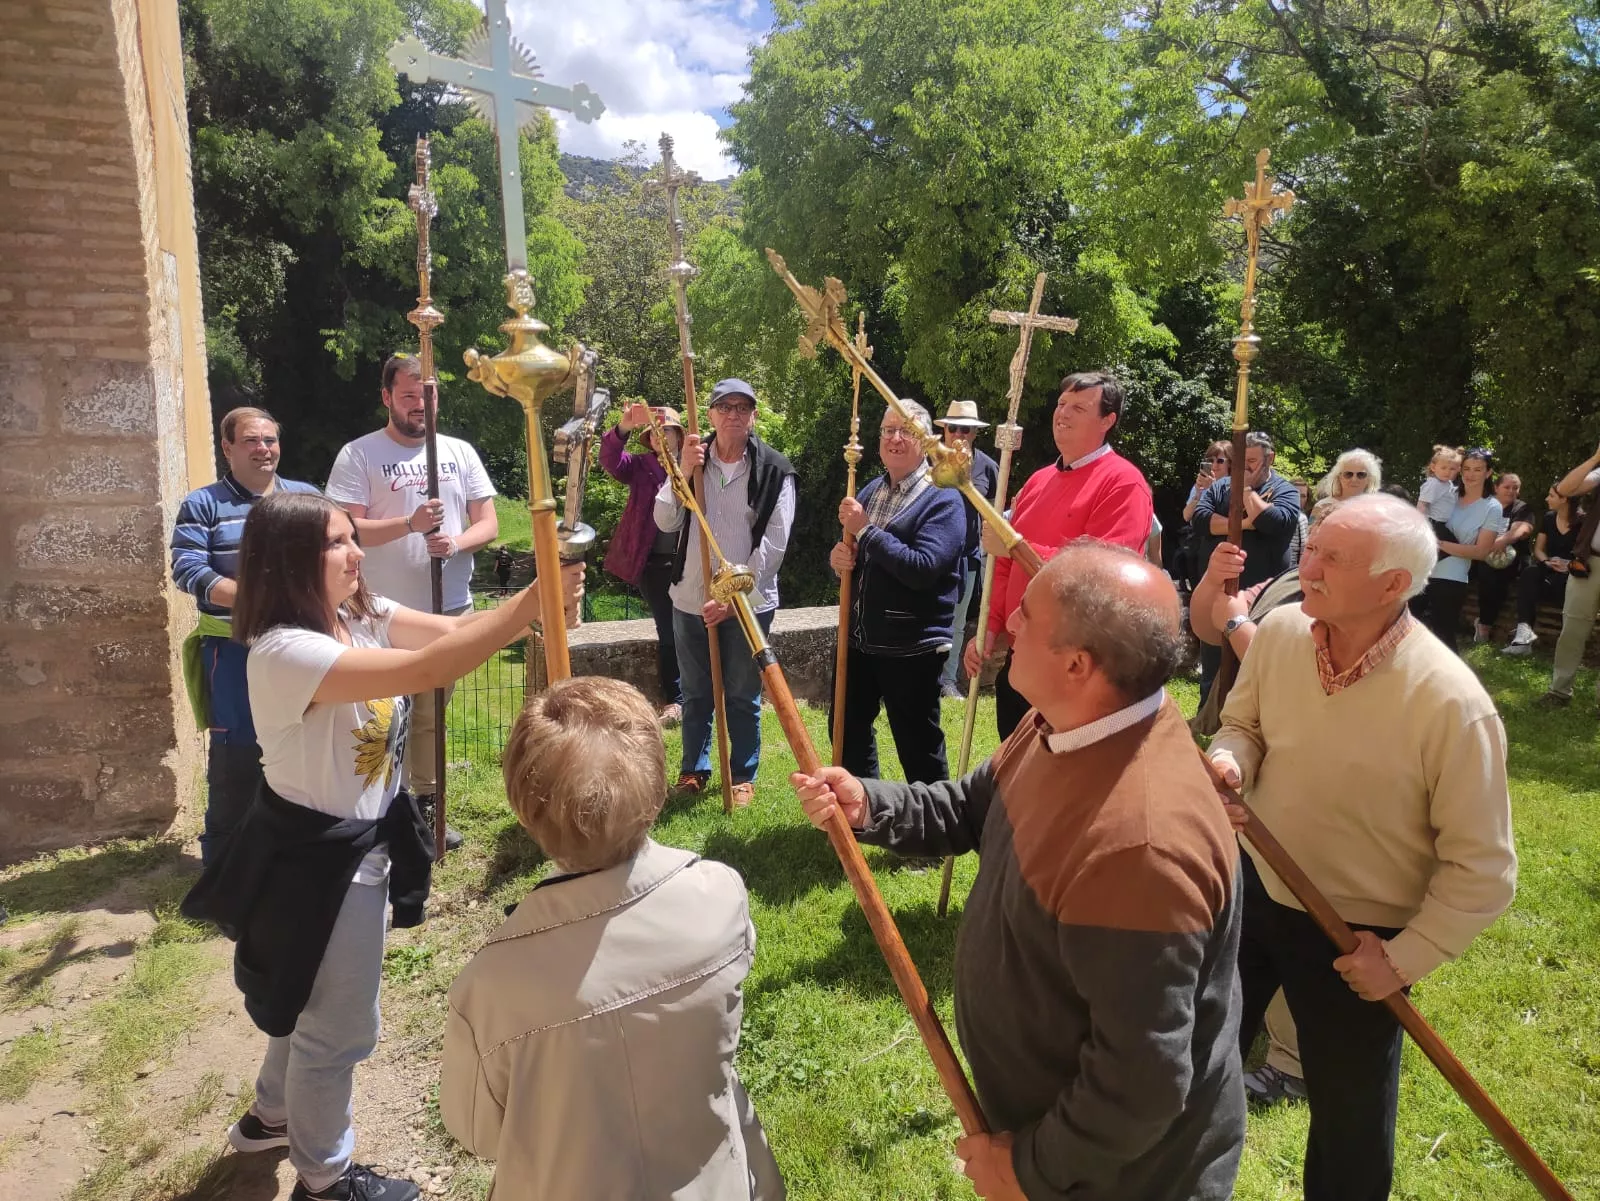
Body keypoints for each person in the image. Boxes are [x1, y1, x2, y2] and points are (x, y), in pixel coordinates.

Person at [796, 542, 1244, 1201]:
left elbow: (1139, 1083)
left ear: (1077, 665)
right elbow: (974, 807)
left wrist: (1028, 1167)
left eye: (1027, 617)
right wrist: (873, 803)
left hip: (1120, 1177)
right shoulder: (1067, 721)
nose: (1009, 625)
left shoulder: (1139, 846)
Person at [181, 491, 581, 1201]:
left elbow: (451, 634)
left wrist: (535, 605)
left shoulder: (357, 614)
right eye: (336, 543)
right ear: (289, 562)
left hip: (349, 843)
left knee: (305, 997)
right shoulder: (285, 651)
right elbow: (429, 671)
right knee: (337, 1028)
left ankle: (273, 1115)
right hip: (316, 862)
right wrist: (529, 605)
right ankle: (326, 1178)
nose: (355, 553)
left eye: (350, 537)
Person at [1209, 494, 1516, 1201]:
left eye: (1330, 558)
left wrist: (1402, 960)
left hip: (1356, 937)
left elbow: (1485, 872)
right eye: (1310, 547)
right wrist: (1231, 762)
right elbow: (1243, 724)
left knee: (1349, 1122)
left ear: (1393, 585)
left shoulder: (1451, 704)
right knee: (1195, 1062)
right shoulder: (1282, 632)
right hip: (1255, 887)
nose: (1305, 567)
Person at [440, 677, 783, 1200]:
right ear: (657, 784)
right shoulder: (719, 896)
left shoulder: (491, 983)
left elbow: (476, 1131)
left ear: (524, 807)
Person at [325, 354, 499, 850]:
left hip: (447, 608)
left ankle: (423, 803)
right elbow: (347, 528)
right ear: (386, 398)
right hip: (379, 613)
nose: (420, 406)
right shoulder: (360, 455)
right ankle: (376, 804)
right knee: (381, 710)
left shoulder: (460, 452)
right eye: (408, 396)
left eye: (428, 396)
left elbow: (486, 522)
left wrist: (456, 543)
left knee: (431, 711)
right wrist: (410, 524)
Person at [962, 372, 1154, 740]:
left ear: (1107, 420)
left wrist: (1019, 547)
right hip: (1023, 665)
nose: (1062, 413)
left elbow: (1103, 573)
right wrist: (990, 626)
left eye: (1079, 407)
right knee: (1015, 782)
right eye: (1061, 404)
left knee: (1066, 789)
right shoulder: (1037, 481)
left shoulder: (1124, 484)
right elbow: (1003, 566)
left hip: (1077, 672)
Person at [171, 406, 319, 865]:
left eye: (270, 440)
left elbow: (332, 552)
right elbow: (187, 568)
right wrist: (259, 600)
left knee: (305, 742)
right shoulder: (204, 504)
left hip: (303, 647)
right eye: (252, 441)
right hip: (234, 651)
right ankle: (225, 870)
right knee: (237, 755)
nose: (264, 449)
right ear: (228, 447)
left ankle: (295, 851)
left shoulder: (306, 497)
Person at [656, 378, 796, 806]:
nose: (733, 414)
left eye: (742, 407)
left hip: (748, 604)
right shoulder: (692, 464)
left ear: (753, 415)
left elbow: (775, 544)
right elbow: (664, 521)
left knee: (741, 692)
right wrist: (680, 469)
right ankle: (694, 769)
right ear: (711, 414)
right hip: (690, 599)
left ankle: (742, 775)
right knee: (696, 691)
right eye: (724, 406)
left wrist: (732, 598)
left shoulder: (775, 470)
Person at [830, 400, 966, 784]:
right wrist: (841, 556)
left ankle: (932, 831)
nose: (894, 438)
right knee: (848, 731)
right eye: (888, 430)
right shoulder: (872, 489)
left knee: (917, 743)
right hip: (859, 639)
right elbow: (859, 553)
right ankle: (865, 812)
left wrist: (866, 531)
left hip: (913, 645)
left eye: (906, 430)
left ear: (924, 441)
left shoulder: (944, 499)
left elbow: (922, 569)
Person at [1189, 432, 1302, 699]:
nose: (1242, 467)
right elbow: (1201, 519)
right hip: (1218, 592)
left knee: (1255, 665)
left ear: (1269, 458)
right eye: (1239, 461)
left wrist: (1248, 491)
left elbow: (1276, 522)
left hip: (1262, 597)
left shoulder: (1285, 490)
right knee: (1213, 662)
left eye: (1250, 461)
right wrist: (1246, 523)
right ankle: (1208, 716)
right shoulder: (1220, 486)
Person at [599, 402, 686, 724]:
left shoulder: (696, 465)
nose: (662, 436)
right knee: (668, 630)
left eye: (668, 431)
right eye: (655, 432)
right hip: (653, 563)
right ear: (648, 438)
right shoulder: (639, 467)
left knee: (696, 628)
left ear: (678, 435)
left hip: (691, 560)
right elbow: (609, 460)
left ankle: (701, 693)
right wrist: (623, 426)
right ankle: (676, 700)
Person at [934, 400, 999, 697]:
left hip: (967, 556)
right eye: (953, 427)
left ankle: (947, 680)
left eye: (966, 428)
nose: (959, 433)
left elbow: (998, 513)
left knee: (957, 622)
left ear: (975, 433)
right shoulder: (929, 461)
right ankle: (922, 678)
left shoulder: (988, 467)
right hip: (930, 553)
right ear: (944, 430)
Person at [1417, 448, 1502, 651]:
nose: (1470, 474)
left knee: (1442, 637)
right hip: (1421, 569)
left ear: (1488, 473)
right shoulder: (1445, 491)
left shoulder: (1492, 507)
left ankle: (1451, 681)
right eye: (1466, 469)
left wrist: (1439, 544)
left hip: (1452, 577)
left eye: (1477, 469)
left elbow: (1481, 552)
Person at [1537, 440, 1600, 705]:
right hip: (1591, 561)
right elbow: (1566, 489)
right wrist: (1596, 458)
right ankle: (1559, 692)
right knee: (1572, 627)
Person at [1503, 483, 1580, 655]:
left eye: (1551, 496)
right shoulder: (1549, 518)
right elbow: (1538, 549)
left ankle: (1568, 647)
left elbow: (1587, 556)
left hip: (1572, 572)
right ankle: (1523, 637)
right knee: (1530, 573)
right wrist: (1547, 561)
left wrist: (1568, 565)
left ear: (1564, 499)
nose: (1547, 499)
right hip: (1549, 567)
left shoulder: (1583, 521)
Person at [1473, 472, 1533, 642]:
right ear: (1496, 488)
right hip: (1480, 553)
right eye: (1507, 487)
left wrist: (1499, 542)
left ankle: (1484, 625)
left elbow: (1521, 530)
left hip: (1512, 557)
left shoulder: (1522, 508)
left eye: (1515, 488)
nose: (1511, 491)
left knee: (1494, 574)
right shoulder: (1485, 506)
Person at [1415, 444, 1463, 545]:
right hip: (1435, 524)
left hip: (1445, 524)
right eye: (1443, 468)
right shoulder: (1433, 484)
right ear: (1433, 467)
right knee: (1453, 548)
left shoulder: (1447, 483)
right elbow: (1422, 504)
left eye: (1452, 469)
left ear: (1458, 470)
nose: (1447, 472)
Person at [1316, 448, 1383, 501]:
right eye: (1348, 474)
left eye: (1361, 475)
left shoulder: (1379, 507)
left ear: (1369, 478)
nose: (1354, 479)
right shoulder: (1323, 507)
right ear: (1339, 477)